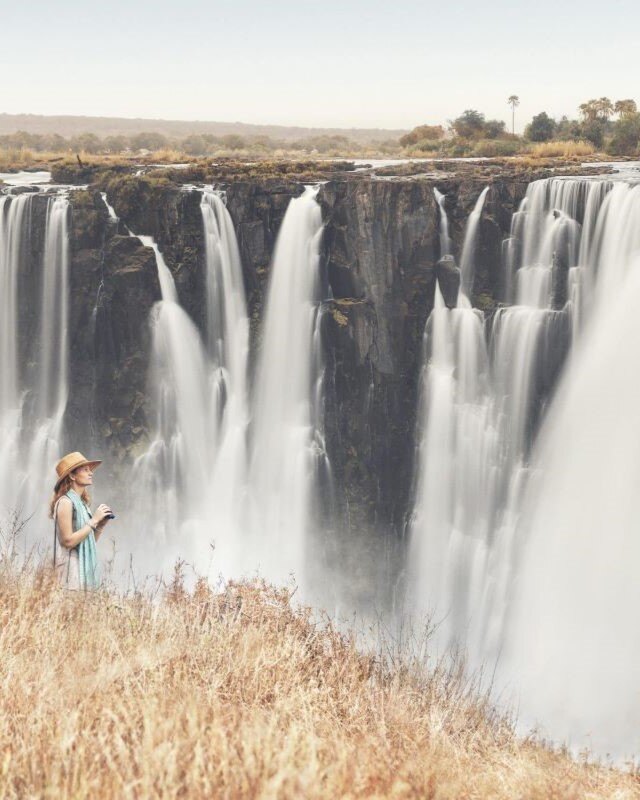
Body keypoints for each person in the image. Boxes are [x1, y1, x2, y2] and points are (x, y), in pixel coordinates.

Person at [49, 451, 113, 590]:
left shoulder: (83, 505)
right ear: (72, 475)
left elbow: (87, 541)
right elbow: (67, 541)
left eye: (90, 470)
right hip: (68, 570)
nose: (91, 473)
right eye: (85, 470)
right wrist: (93, 521)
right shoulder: (65, 502)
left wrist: (100, 525)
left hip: (80, 567)